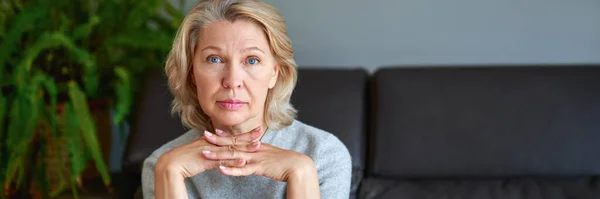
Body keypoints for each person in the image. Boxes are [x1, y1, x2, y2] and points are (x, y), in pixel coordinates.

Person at [141, 0, 352, 198]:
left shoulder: (324, 155)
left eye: (252, 60)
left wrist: (301, 173)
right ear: (192, 73)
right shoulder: (163, 164)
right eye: (214, 59)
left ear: (274, 74)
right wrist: (169, 173)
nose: (232, 81)